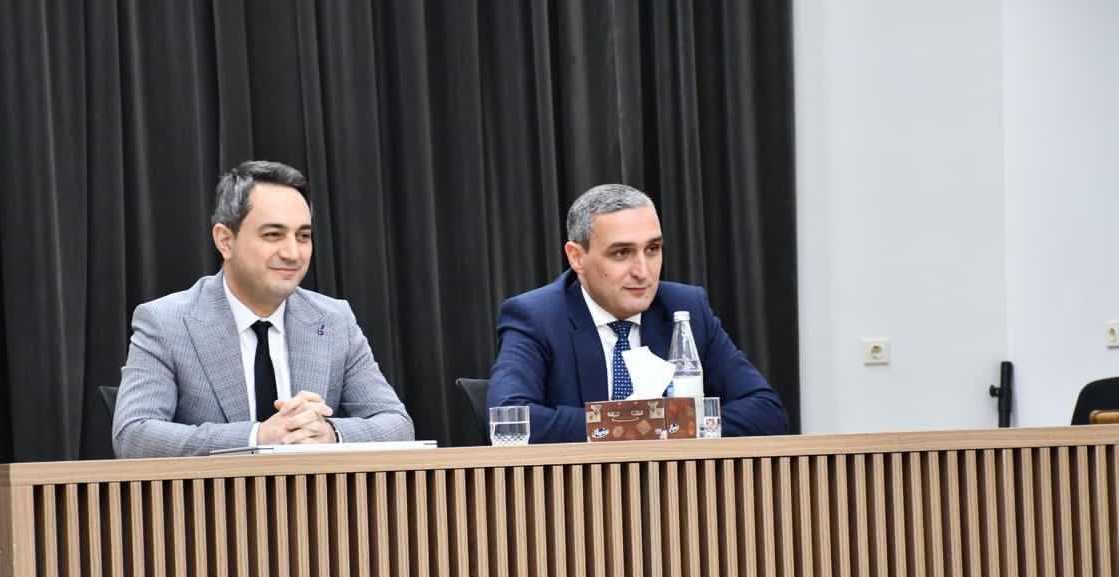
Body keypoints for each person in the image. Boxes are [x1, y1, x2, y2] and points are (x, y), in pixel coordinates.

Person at [113, 160, 413, 458]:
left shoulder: (334, 320)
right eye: (273, 235)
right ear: (225, 240)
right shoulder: (166, 322)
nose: (292, 253)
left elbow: (397, 424)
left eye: (303, 236)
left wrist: (329, 433)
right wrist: (257, 437)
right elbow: (133, 435)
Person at [487, 183, 788, 443]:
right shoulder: (536, 316)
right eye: (622, 253)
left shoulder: (685, 308)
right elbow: (509, 419)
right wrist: (636, 425)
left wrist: (661, 426)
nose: (643, 272)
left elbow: (766, 412)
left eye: (652, 249)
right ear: (576, 257)